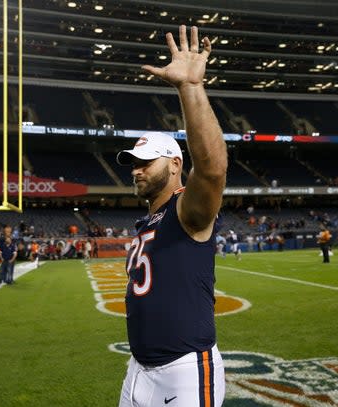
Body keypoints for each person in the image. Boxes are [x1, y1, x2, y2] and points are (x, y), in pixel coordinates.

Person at [115, 25, 226, 407]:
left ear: (176, 164)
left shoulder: (186, 210)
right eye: (133, 163)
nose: (136, 170)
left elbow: (211, 172)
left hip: (183, 369)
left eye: (147, 162)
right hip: (138, 369)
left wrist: (190, 88)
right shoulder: (149, 219)